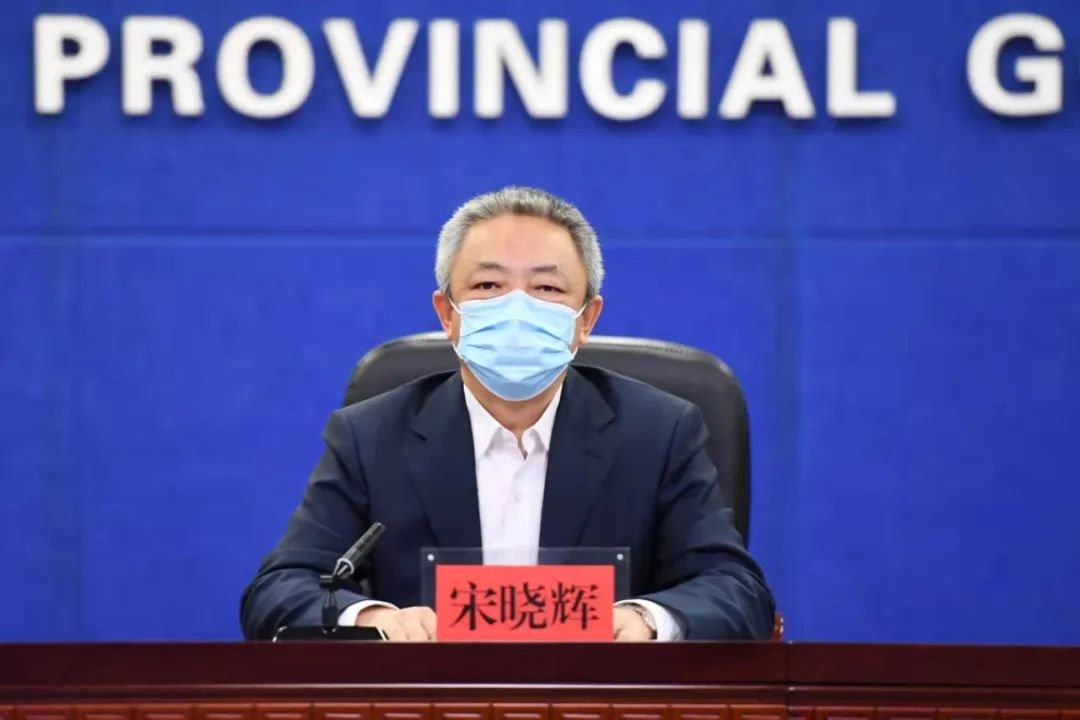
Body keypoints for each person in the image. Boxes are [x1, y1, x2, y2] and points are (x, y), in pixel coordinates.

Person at [241, 186, 774, 641]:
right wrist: (374, 619)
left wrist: (644, 620)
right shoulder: (371, 435)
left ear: (585, 320)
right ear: (447, 314)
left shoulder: (658, 433)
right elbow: (279, 590)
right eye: (488, 286)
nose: (517, 308)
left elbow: (735, 589)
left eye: (547, 288)